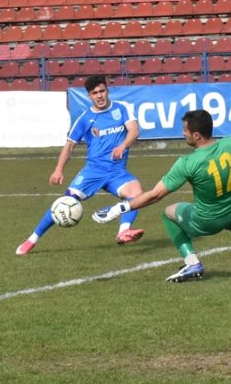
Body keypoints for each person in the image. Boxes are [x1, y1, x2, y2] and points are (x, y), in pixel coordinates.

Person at [93, 109, 231, 282]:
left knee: (168, 212)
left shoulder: (187, 163)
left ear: (196, 135)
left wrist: (120, 207)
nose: (183, 134)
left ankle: (192, 262)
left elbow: (155, 195)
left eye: (185, 131)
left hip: (207, 221)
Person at [15, 75, 145, 255]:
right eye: (94, 93)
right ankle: (32, 240)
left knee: (137, 194)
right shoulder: (86, 118)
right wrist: (59, 169)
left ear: (107, 91)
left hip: (117, 172)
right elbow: (69, 145)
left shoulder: (122, 109)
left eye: (102, 91)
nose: (99, 96)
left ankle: (123, 231)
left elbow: (134, 130)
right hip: (93, 171)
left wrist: (123, 145)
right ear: (89, 96)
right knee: (65, 202)